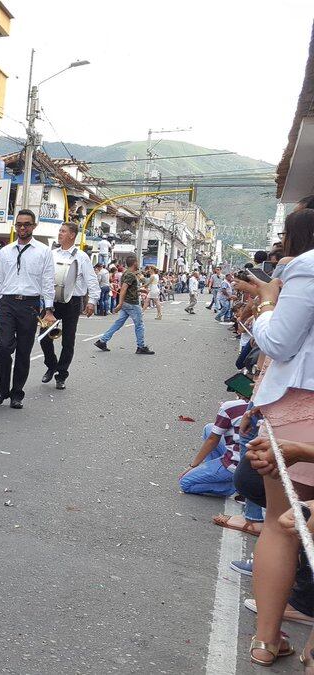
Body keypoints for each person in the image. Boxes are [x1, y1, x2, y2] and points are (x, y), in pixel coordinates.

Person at [237, 207, 314, 667]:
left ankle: (267, 641)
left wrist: (267, 302)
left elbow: (279, 342)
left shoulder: (304, 268)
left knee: (282, 526)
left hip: (300, 408)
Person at [0, 210, 56, 409]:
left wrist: (49, 309)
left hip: (30, 305)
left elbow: (48, 281)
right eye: (19, 224)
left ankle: (17, 394)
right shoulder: (6, 251)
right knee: (2, 346)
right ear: (15, 226)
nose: (22, 228)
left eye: (26, 224)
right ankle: (2, 390)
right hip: (7, 303)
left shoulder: (43, 251)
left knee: (23, 352)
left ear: (34, 226)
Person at [39, 222, 99, 390]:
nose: (60, 233)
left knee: (68, 340)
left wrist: (92, 301)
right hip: (52, 302)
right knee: (43, 336)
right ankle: (51, 364)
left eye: (63, 231)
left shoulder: (81, 256)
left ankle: (61, 374)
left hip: (73, 301)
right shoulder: (51, 254)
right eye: (59, 231)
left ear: (72, 235)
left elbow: (91, 280)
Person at [179, 391, 249, 496]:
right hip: (246, 458)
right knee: (209, 428)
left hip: (237, 463)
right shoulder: (270, 406)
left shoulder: (232, 406)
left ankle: (232, 487)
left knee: (185, 483)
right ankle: (217, 474)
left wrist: (193, 466)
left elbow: (213, 439)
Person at [94, 257, 153, 355]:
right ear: (134, 263)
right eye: (137, 262)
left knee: (118, 323)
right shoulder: (130, 275)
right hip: (131, 303)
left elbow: (128, 289)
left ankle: (102, 341)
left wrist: (139, 290)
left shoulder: (126, 273)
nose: (138, 264)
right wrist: (120, 304)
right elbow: (124, 289)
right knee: (139, 325)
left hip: (126, 302)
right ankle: (141, 346)